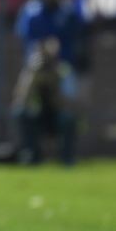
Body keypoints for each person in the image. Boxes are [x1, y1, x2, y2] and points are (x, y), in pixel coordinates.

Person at [11, 36, 78, 166]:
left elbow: (69, 102)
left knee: (68, 119)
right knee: (21, 114)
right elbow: (20, 99)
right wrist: (33, 77)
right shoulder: (31, 71)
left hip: (56, 114)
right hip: (37, 115)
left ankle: (67, 158)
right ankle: (32, 155)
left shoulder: (64, 70)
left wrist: (54, 80)